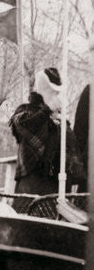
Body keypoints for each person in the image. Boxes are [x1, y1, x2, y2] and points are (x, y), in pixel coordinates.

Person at [9, 67, 85, 203]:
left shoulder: (61, 120)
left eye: (57, 93)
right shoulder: (26, 111)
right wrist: (46, 110)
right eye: (52, 91)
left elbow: (72, 150)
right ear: (42, 90)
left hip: (56, 184)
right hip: (33, 182)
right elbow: (23, 127)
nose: (56, 96)